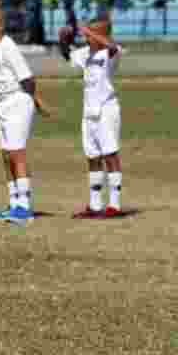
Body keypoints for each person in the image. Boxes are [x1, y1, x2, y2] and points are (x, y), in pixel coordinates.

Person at [0, 10, 51, 225]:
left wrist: (36, 102)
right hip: (2, 105)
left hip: (16, 102)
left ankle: (24, 207)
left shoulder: (8, 47)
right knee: (6, 154)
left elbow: (28, 79)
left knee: (16, 153)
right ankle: (13, 203)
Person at [59, 18, 125, 218]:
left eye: (92, 33)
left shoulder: (112, 52)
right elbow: (67, 55)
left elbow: (111, 46)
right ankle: (95, 205)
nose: (87, 37)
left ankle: (114, 205)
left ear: (104, 34)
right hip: (89, 111)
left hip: (107, 109)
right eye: (87, 34)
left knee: (110, 155)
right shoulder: (85, 53)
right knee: (92, 156)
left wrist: (88, 30)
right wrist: (63, 39)